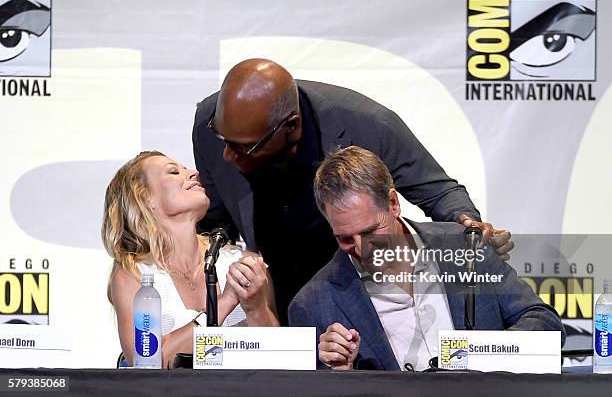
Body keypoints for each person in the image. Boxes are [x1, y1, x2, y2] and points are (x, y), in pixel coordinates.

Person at [192, 58, 513, 324]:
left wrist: (470, 228)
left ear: (290, 125)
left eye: (245, 147)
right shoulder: (212, 125)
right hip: (281, 295)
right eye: (223, 140)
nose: (227, 156)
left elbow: (437, 190)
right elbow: (217, 222)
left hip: (352, 288)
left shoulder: (367, 125)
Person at [287, 146, 565, 371]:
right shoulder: (313, 304)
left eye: (371, 231)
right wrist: (339, 375)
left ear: (393, 203)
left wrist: (483, 356)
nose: (362, 249)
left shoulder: (465, 245)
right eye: (345, 238)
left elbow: (545, 325)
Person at [101, 151, 278, 368]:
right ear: (145, 198)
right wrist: (225, 301)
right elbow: (149, 362)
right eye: (174, 172)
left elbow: (279, 359)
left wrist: (256, 308)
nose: (194, 173)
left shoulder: (247, 264)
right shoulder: (135, 275)